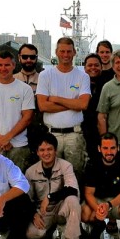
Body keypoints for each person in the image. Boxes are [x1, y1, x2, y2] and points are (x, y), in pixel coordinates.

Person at [36, 37, 91, 178]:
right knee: (52, 175)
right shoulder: (45, 75)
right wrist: (73, 104)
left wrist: (56, 99)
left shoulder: (83, 76)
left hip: (75, 135)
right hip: (51, 135)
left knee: (76, 174)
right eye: (62, 51)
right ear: (56, 52)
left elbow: (83, 104)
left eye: (69, 51)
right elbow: (42, 105)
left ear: (74, 53)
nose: (65, 55)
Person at [24, 133, 81, 239]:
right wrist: (33, 214)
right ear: (37, 152)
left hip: (62, 207)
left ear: (55, 150)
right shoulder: (30, 172)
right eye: (42, 150)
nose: (46, 153)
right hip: (44, 212)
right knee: (31, 234)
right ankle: (47, 232)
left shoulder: (66, 166)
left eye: (49, 149)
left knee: (72, 199)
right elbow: (26, 198)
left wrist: (50, 197)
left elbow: (73, 189)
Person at [81, 133, 120, 239]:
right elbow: (88, 193)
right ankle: (98, 224)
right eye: (105, 148)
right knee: (85, 214)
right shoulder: (92, 162)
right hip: (99, 200)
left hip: (118, 201)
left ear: (118, 148)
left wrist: (109, 205)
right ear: (99, 148)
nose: (109, 152)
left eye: (112, 148)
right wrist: (98, 209)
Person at [83, 53, 109, 165]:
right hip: (82, 132)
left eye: (96, 65)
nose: (93, 68)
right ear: (84, 68)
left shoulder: (108, 86)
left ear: (101, 67)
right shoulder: (78, 85)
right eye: (90, 65)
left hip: (102, 132)